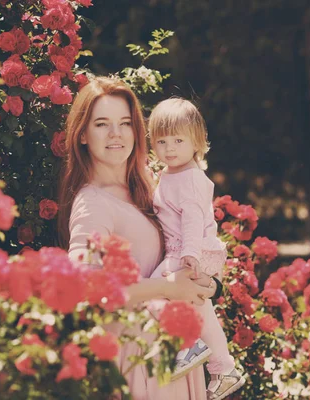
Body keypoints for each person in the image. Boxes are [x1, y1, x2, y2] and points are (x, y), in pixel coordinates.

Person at [57, 76, 215, 400]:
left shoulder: (145, 189)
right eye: (102, 124)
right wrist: (169, 288)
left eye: (125, 123)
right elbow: (88, 287)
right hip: (136, 359)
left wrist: (208, 285)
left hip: (169, 353)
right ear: (83, 135)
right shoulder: (92, 203)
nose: (116, 134)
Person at [147, 98, 245, 400]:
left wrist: (189, 254)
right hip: (192, 250)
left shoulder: (188, 179)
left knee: (151, 293)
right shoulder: (173, 172)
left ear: (197, 141)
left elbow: (191, 218)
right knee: (201, 308)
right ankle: (223, 368)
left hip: (188, 251)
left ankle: (188, 347)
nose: (170, 148)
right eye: (162, 141)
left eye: (178, 140)